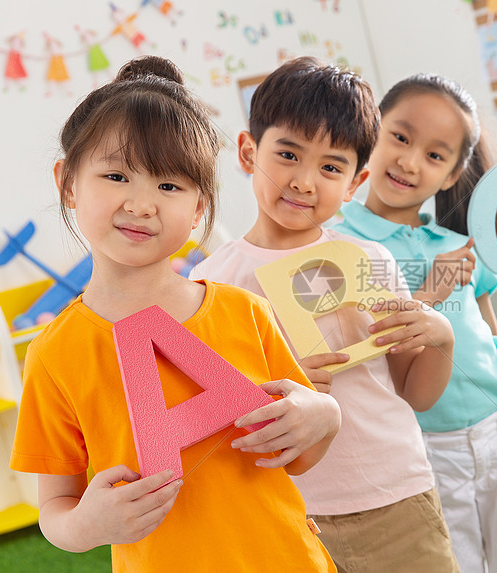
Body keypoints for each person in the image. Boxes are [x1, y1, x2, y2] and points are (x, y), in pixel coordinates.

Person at [9, 56, 341, 573]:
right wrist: (84, 526)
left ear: (200, 207)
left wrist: (325, 417)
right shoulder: (54, 353)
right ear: (68, 183)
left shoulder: (245, 312)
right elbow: (54, 506)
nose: (142, 205)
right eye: (117, 175)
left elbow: (299, 454)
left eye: (169, 186)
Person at [189, 57, 459, 573]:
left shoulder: (371, 262)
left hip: (396, 491)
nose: (305, 181)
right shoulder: (211, 285)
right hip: (289, 508)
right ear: (249, 152)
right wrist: (272, 384)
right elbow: (210, 416)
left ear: (355, 183)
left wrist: (441, 339)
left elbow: (416, 392)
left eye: (331, 167)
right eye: (287, 154)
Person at [331, 73, 497, 573]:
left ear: (451, 175)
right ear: (372, 134)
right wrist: (431, 293)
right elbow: (364, 360)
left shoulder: (459, 247)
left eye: (435, 154)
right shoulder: (341, 247)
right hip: (425, 451)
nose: (409, 161)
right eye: (400, 137)